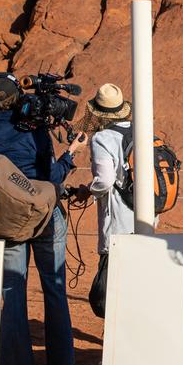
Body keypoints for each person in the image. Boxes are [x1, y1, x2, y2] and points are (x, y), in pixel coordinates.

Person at [0, 72, 85, 365]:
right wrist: (71, 153)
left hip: (7, 218)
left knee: (11, 291)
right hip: (45, 215)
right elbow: (53, 179)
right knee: (54, 286)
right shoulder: (34, 131)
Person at [74, 84, 135, 317]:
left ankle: (117, 343)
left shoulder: (102, 138)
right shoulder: (140, 131)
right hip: (146, 216)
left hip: (118, 221)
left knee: (106, 295)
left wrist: (88, 191)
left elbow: (105, 180)